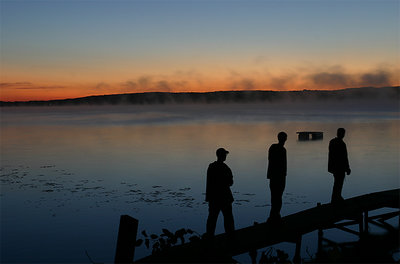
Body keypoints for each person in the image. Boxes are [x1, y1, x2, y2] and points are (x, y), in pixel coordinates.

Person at [205, 148, 235, 237]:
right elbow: (230, 182)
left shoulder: (211, 167)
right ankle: (230, 236)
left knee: (212, 218)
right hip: (225, 197)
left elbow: (209, 183)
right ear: (222, 156)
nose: (225, 156)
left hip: (213, 198)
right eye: (225, 154)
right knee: (228, 218)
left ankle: (209, 236)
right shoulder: (225, 168)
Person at [267, 132, 287, 223]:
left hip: (273, 176)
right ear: (284, 139)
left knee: (274, 197)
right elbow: (282, 165)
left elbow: (270, 160)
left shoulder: (272, 147)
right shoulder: (282, 150)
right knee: (278, 197)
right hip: (280, 177)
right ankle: (275, 216)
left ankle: (273, 216)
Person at [328, 128, 351, 203]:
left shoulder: (332, 142)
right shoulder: (341, 144)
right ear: (342, 134)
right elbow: (344, 157)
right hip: (339, 167)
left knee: (337, 183)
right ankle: (336, 198)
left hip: (334, 167)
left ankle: (336, 197)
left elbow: (332, 155)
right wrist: (347, 168)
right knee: (339, 183)